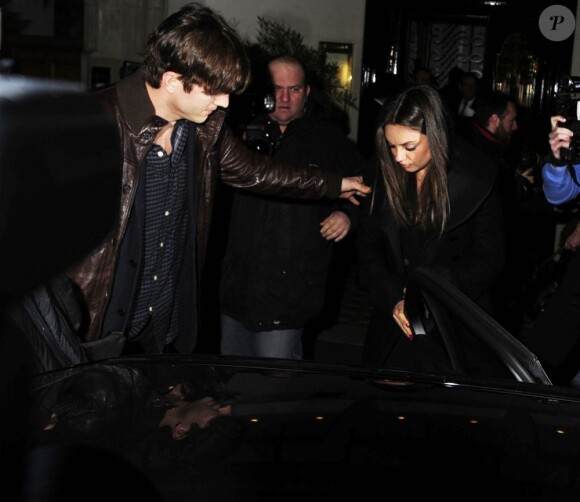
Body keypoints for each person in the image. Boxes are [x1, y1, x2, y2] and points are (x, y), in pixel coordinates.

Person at [63, 3, 370, 359]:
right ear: (173, 80)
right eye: (214, 91)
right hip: (97, 331)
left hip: (163, 329)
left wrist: (334, 185)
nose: (223, 102)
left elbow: (257, 171)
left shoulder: (205, 128)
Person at [219, 55, 368, 359]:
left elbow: (368, 189)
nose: (284, 98)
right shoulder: (238, 135)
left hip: (290, 292)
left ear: (308, 92)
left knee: (277, 389)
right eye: (276, 89)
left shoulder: (330, 142)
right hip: (237, 287)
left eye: (294, 89)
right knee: (230, 388)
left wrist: (347, 215)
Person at [355, 85, 505, 368]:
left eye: (409, 147)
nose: (398, 157)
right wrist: (393, 298)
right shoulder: (384, 171)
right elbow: (368, 246)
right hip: (395, 320)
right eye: (391, 146)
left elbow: (490, 258)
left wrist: (432, 296)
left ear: (435, 138)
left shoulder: (477, 178)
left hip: (456, 321)